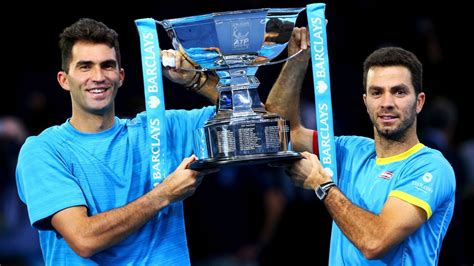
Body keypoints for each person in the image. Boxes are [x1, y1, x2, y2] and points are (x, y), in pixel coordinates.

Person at [15, 18, 222, 265]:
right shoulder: (43, 150)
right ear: (64, 80)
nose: (98, 76)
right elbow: (84, 239)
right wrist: (164, 195)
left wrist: (196, 80)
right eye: (85, 67)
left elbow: (260, 121)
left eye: (108, 65)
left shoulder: (159, 128)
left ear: (121, 76)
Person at [265, 46, 456, 265]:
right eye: (377, 92)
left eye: (399, 92)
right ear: (366, 102)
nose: (387, 103)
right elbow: (279, 130)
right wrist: (297, 60)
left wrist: (322, 184)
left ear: (419, 102)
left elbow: (374, 242)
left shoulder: (430, 167)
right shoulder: (350, 150)